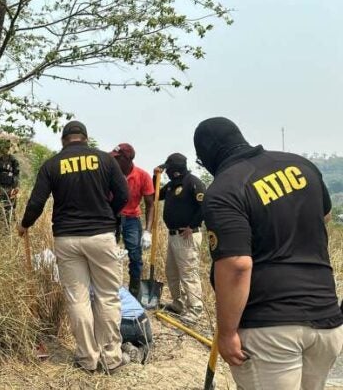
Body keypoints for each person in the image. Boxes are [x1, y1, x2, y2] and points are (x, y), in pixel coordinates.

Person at [196, 117, 343, 389]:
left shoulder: (225, 189)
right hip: (326, 320)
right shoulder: (302, 166)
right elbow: (324, 216)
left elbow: (237, 265)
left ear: (205, 157)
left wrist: (226, 334)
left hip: (269, 328)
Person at [17, 120, 129, 373]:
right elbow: (124, 194)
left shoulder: (51, 164)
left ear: (63, 140)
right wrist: (108, 216)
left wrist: (25, 224)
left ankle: (87, 358)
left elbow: (36, 202)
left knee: (77, 298)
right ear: (86, 138)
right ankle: (111, 357)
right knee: (108, 296)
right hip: (101, 236)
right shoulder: (105, 160)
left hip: (66, 238)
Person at [155, 153, 205, 324]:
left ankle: (195, 309)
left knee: (188, 274)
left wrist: (193, 225)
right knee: (172, 272)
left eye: (168, 169)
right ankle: (178, 303)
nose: (167, 172)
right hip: (173, 235)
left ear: (175, 170)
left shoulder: (193, 182)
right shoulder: (170, 186)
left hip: (187, 236)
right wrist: (156, 176)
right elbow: (156, 194)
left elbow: (204, 205)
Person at [110, 143, 155, 298]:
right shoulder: (110, 173)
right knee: (106, 253)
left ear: (127, 159)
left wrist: (148, 231)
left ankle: (134, 293)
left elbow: (150, 205)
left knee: (135, 257)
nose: (114, 161)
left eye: (117, 158)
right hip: (111, 217)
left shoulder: (143, 176)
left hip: (132, 219)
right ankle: (109, 291)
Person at [0, 139, 20, 225]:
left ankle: (7, 229)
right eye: (4, 147)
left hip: (10, 188)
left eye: (8, 147)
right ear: (0, 147)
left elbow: (17, 174)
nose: (6, 149)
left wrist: (16, 187)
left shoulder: (13, 160)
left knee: (9, 210)